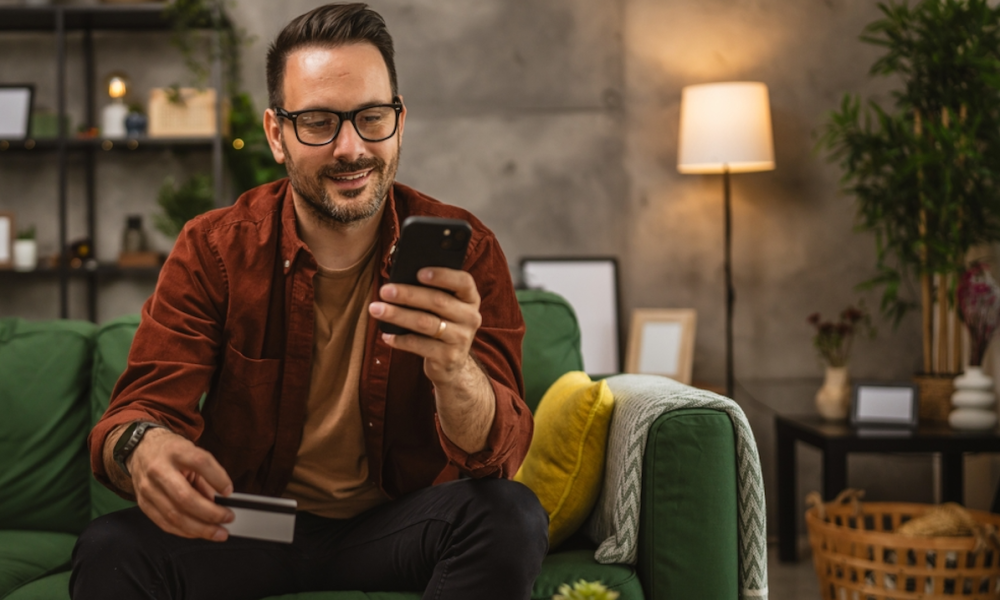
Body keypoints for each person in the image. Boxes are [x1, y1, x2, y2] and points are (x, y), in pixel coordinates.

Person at [70, 4, 548, 599]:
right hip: (251, 526)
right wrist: (144, 446)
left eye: (372, 117)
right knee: (111, 548)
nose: (351, 148)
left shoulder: (468, 250)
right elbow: (130, 417)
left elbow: (496, 459)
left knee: (510, 514)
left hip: (396, 526)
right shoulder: (215, 250)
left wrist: (455, 373)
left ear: (399, 121)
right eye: (319, 122)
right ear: (277, 133)